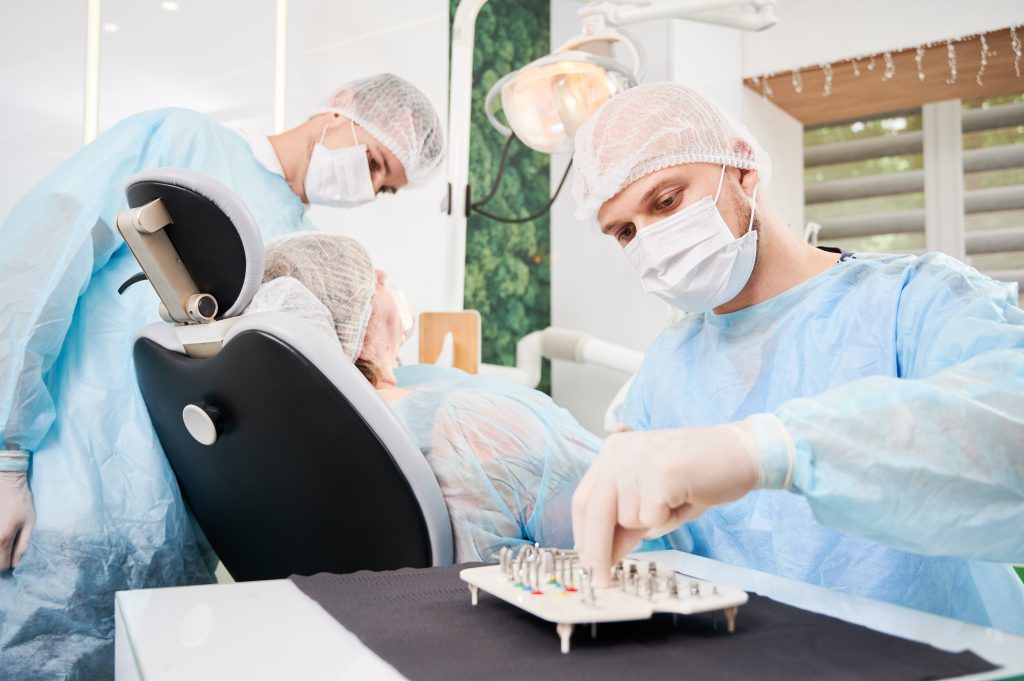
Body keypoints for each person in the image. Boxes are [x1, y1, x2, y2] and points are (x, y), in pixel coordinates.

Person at [0, 73, 443, 679]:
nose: (367, 187)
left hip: (176, 536)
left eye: (384, 186)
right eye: (372, 161)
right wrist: (6, 454)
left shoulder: (314, 249)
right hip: (62, 489)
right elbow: (41, 260)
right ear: (339, 108)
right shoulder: (181, 142)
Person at [568, 82, 1024, 633]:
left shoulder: (915, 299)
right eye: (624, 231)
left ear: (742, 168)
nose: (650, 240)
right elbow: (651, 550)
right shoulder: (668, 365)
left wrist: (771, 450)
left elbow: (1009, 430)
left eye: (666, 201)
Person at [250, 233, 655, 562]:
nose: (382, 275)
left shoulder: (270, 445)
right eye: (368, 280)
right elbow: (634, 541)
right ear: (352, 332)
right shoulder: (478, 423)